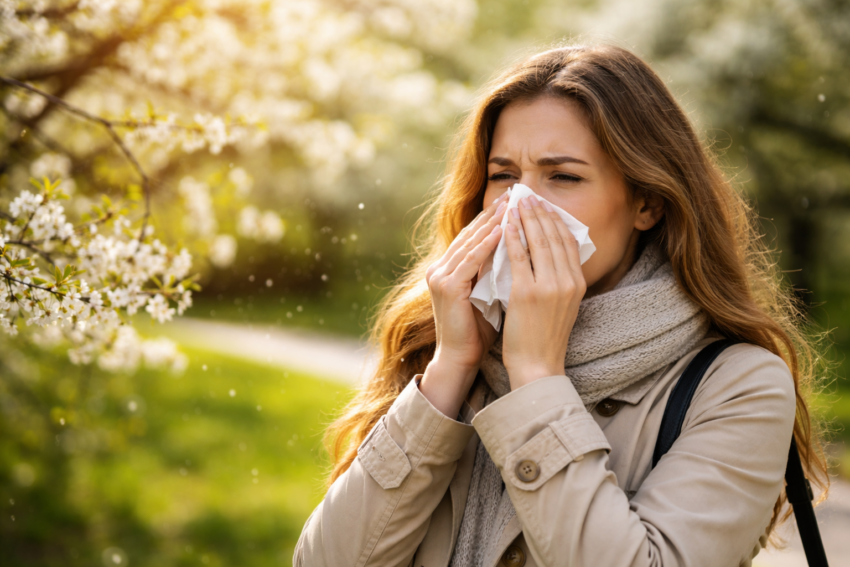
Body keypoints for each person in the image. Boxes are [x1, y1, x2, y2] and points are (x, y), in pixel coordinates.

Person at [293, 43, 829, 567]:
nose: (520, 204)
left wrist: (535, 375)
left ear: (646, 202)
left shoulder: (740, 385)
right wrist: (449, 370)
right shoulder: (451, 345)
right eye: (503, 175)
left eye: (564, 176)